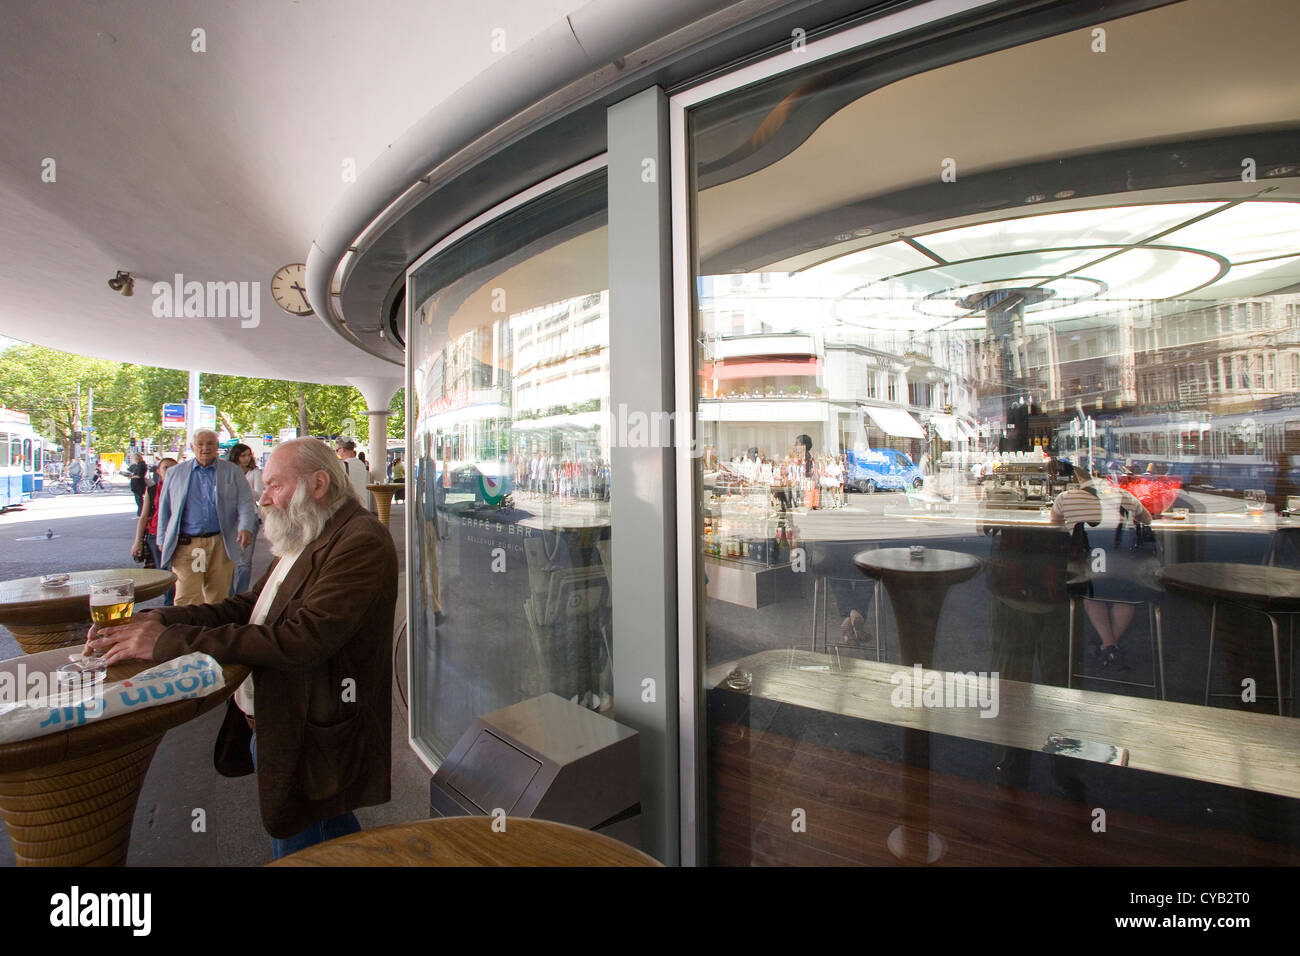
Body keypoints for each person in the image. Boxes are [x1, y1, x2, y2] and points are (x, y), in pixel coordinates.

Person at [90, 437, 397, 858]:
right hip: (284, 723)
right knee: (329, 835)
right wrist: (163, 619)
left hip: (313, 732)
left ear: (319, 483)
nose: (263, 498)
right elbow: (250, 607)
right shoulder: (313, 527)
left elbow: (300, 640)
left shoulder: (360, 540)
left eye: (274, 485)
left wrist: (166, 642)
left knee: (305, 841)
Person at [156, 430, 256, 605]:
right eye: (200, 444)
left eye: (210, 443)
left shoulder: (232, 471)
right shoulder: (176, 473)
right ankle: (187, 632)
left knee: (218, 597)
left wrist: (245, 527)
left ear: (217, 447)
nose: (205, 448)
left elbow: (245, 502)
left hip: (220, 543)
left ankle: (213, 632)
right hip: (188, 546)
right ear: (193, 447)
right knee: (187, 597)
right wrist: (161, 538)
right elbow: (164, 509)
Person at [131, 457, 178, 606]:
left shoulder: (183, 489)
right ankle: (169, 604)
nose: (169, 471)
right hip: (155, 536)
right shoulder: (152, 490)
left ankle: (176, 604)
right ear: (158, 471)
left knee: (178, 570)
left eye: (173, 468)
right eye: (165, 468)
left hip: (178, 536)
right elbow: (144, 516)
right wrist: (137, 541)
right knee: (164, 571)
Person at [228, 443, 267, 594]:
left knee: (244, 562)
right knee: (229, 560)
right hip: (231, 518)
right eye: (242, 455)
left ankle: (241, 593)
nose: (246, 458)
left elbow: (259, 495)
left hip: (250, 517)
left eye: (248, 455)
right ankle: (229, 594)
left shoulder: (254, 473)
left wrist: (244, 487)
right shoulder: (229, 471)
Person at [335, 438, 375, 513]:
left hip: (350, 508)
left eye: (337, 450)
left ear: (342, 450)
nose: (337, 453)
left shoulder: (342, 465)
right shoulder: (361, 464)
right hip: (362, 506)